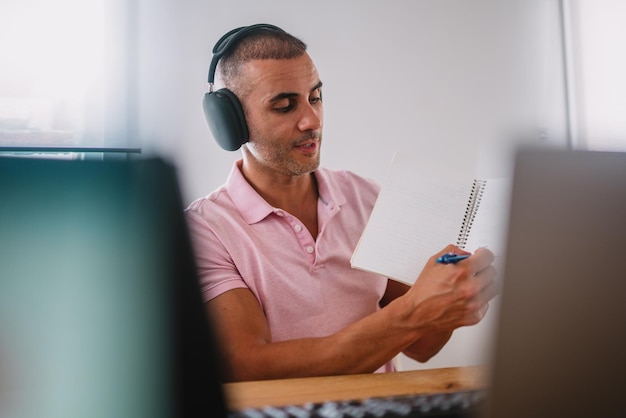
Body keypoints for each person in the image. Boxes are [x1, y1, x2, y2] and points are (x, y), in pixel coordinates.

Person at [185, 24, 498, 382]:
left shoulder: (366, 197)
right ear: (231, 123)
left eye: (315, 98)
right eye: (284, 106)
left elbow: (422, 346)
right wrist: (414, 311)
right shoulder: (205, 230)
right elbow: (248, 365)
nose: (312, 120)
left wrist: (456, 300)